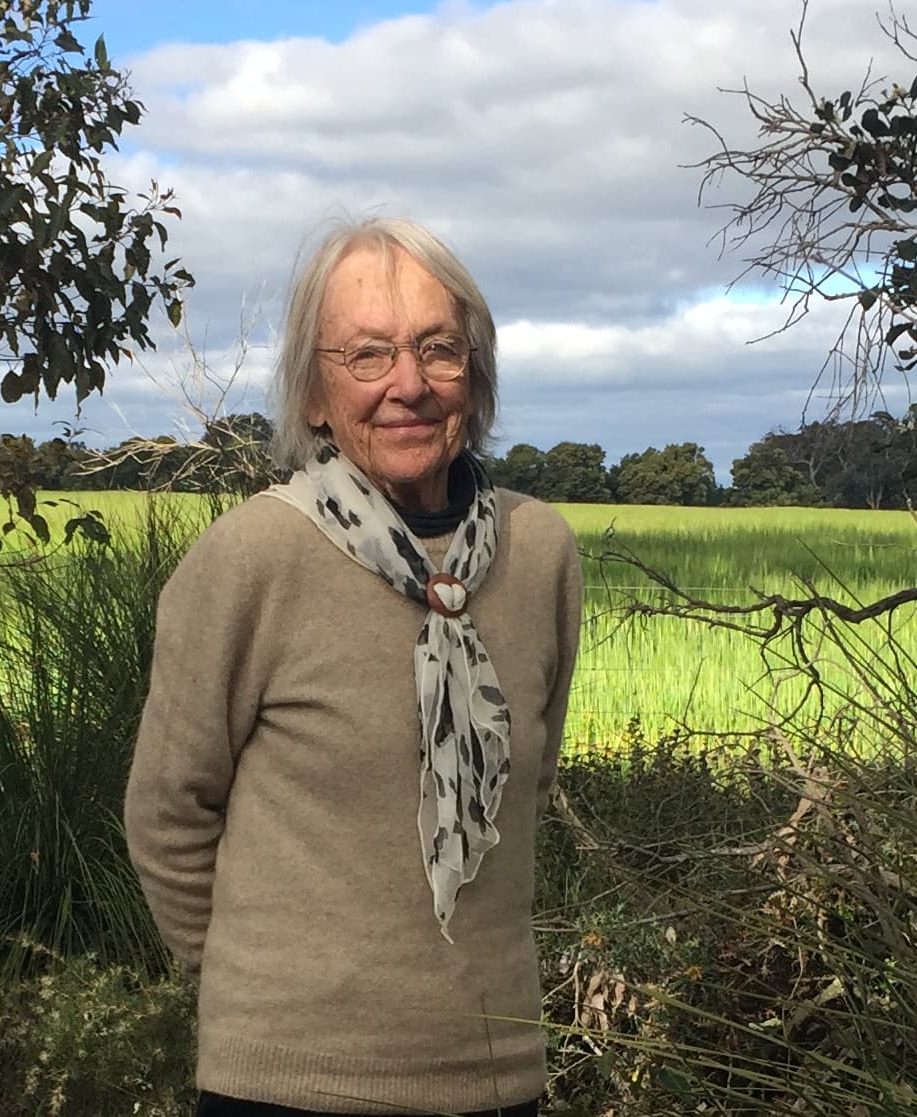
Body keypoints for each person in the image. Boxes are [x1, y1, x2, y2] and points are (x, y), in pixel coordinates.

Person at [124, 217, 583, 1117]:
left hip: (496, 1076)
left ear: (475, 377)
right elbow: (167, 809)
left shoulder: (539, 553)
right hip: (287, 1085)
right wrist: (263, 1000)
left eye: (437, 350)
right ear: (314, 396)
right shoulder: (252, 558)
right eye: (367, 355)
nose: (407, 385)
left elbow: (524, 792)